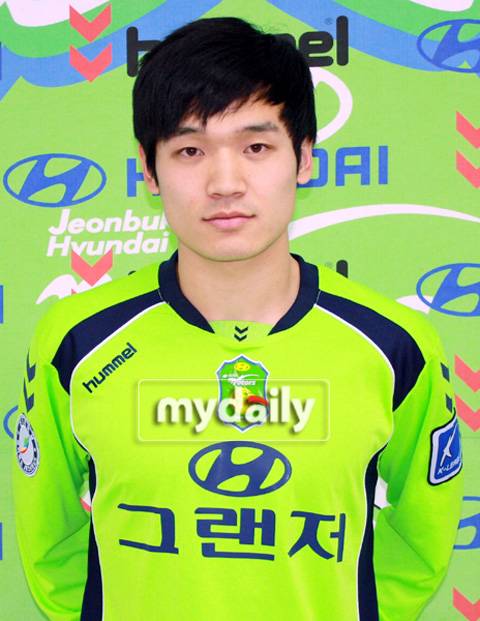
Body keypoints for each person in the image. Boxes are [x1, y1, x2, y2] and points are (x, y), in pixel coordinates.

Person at [12, 16, 463, 621]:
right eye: (190, 151)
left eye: (256, 147)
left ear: (304, 158)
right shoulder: (77, 339)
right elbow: (52, 546)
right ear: (148, 169)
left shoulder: (393, 344)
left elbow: (421, 541)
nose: (225, 183)